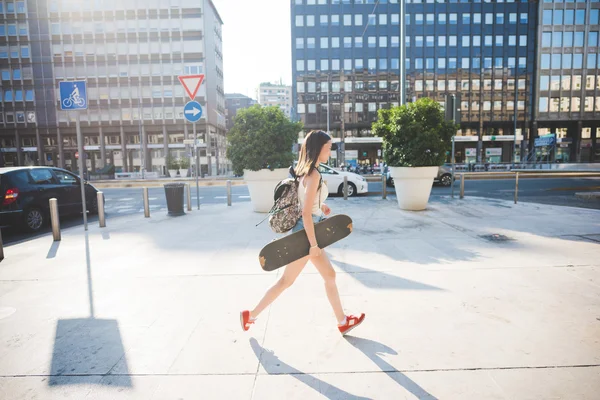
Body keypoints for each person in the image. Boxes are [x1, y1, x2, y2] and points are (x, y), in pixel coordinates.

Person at [240, 130, 365, 335]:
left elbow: (306, 203)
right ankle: (251, 315)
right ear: (318, 149)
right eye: (328, 147)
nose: (330, 151)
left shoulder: (304, 171)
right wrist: (313, 245)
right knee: (288, 281)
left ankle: (342, 321)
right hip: (306, 235)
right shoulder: (313, 174)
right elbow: (306, 213)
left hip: (307, 230)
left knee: (325, 276)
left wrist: (320, 206)